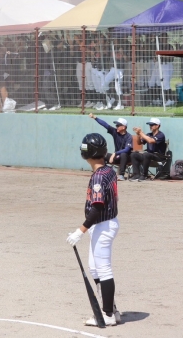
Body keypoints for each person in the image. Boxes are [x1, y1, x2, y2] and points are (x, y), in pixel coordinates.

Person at [66, 133, 121, 327]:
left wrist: (79, 231)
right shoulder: (108, 170)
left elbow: (97, 208)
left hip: (103, 225)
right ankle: (112, 309)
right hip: (105, 224)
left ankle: (108, 315)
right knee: (94, 268)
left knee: (103, 269)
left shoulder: (98, 177)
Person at [89, 113, 133, 181]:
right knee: (102, 155)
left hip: (126, 158)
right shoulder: (115, 132)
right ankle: (102, 173)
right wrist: (95, 118)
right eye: (116, 125)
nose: (116, 126)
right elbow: (105, 125)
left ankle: (121, 175)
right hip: (116, 156)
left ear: (124, 127)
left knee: (123, 154)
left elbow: (127, 150)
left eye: (118, 125)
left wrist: (115, 153)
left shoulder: (129, 136)